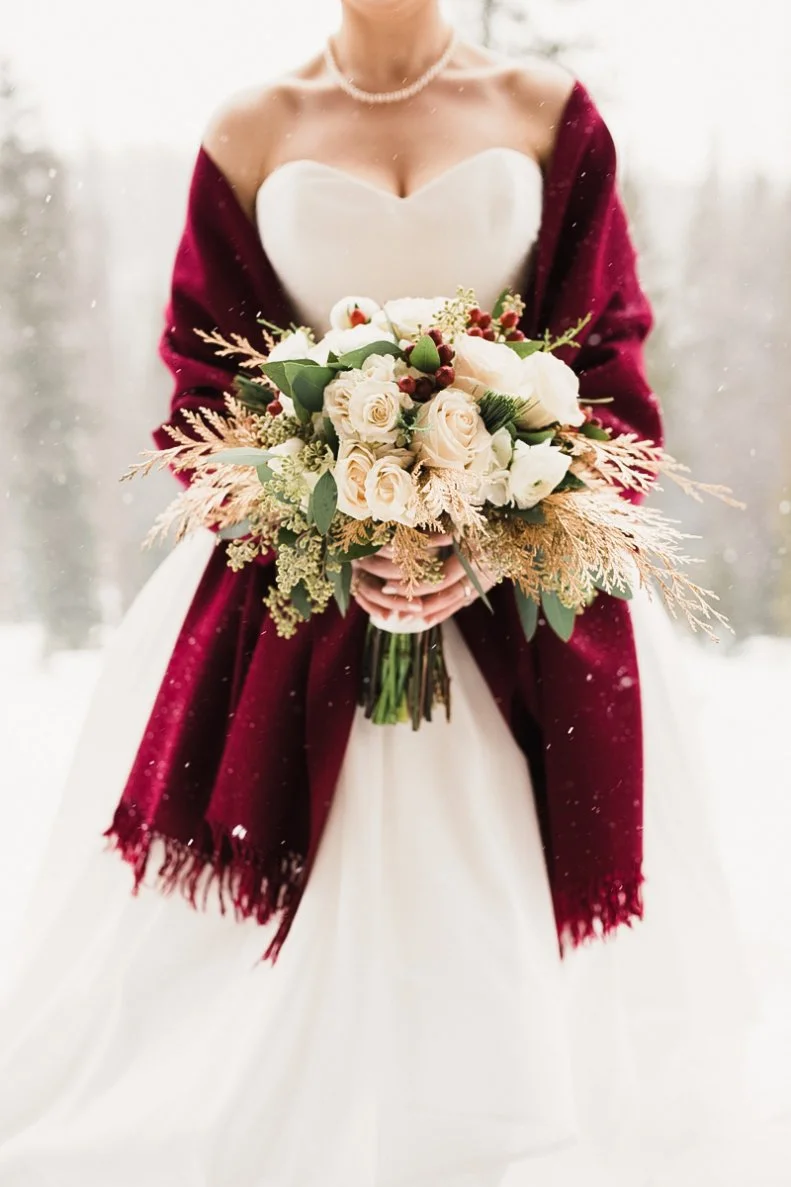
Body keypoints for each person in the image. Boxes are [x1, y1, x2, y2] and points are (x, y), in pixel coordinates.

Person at [0, 2, 754, 1184]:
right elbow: (204, 383)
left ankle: (498, 1124)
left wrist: (500, 533)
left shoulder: (544, 113)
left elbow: (605, 356)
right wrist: (317, 513)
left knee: (496, 913)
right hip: (297, 595)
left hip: (518, 593)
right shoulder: (252, 128)